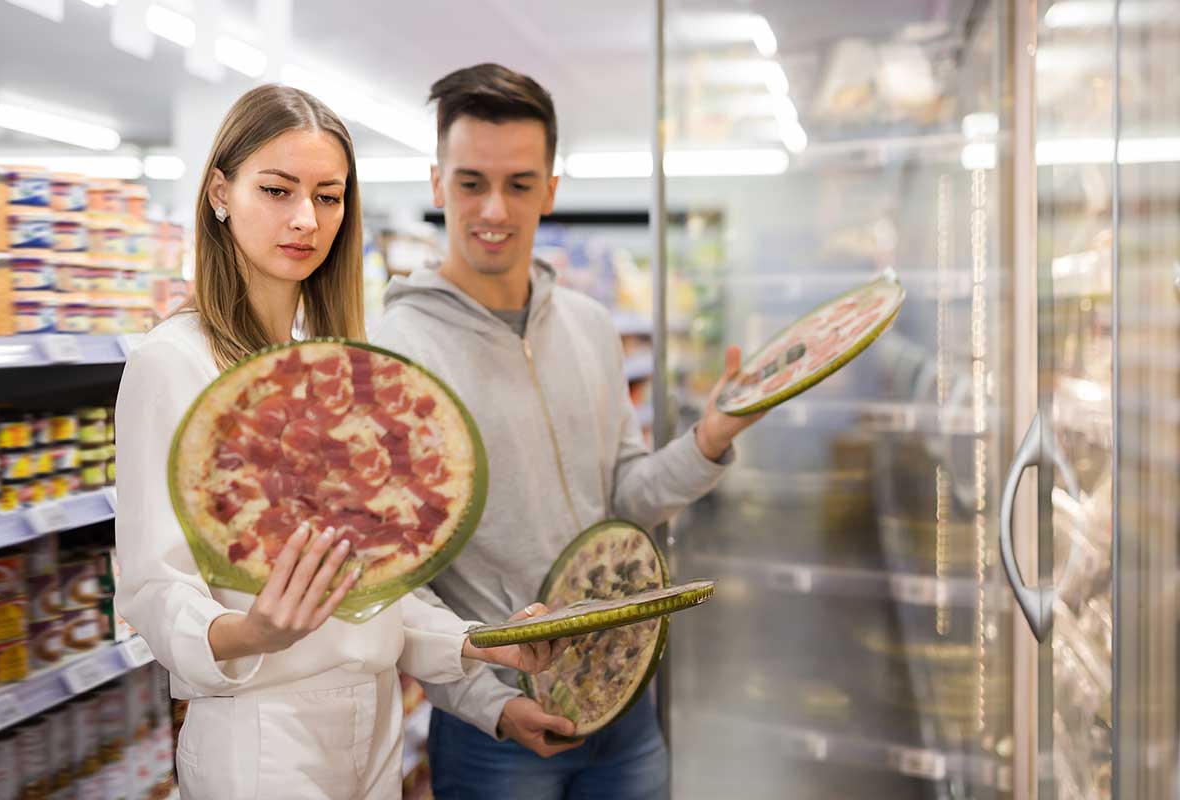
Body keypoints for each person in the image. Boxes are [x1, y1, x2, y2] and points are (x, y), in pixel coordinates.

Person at [114, 83, 562, 800]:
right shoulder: (174, 362)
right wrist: (252, 630)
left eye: (328, 196)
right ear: (220, 194)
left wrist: (482, 641)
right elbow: (151, 586)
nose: (305, 218)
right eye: (277, 189)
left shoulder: (334, 366)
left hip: (376, 721)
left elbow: (375, 592)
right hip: (262, 734)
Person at [370, 63, 765, 800]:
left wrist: (709, 438)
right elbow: (399, 581)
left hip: (625, 703)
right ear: (436, 184)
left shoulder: (588, 326)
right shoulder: (395, 354)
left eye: (520, 183)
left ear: (551, 188)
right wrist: (489, 704)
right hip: (499, 728)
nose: (495, 208)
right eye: (470, 182)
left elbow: (627, 497)